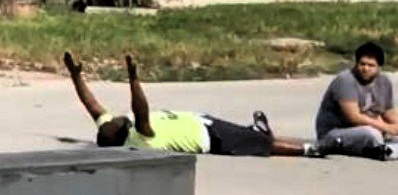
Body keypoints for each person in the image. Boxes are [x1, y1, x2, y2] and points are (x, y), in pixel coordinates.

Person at [64, 52, 330, 158]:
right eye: (112, 123)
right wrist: (133, 78)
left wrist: (76, 75)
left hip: (203, 122)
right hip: (210, 138)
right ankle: (309, 149)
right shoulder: (139, 138)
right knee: (263, 146)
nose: (111, 118)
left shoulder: (113, 130)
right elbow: (140, 109)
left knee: (252, 137)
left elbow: (93, 106)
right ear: (118, 136)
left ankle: (258, 130)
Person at [315, 42, 398, 160]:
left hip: (366, 128)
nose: (365, 68)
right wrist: (389, 128)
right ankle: (384, 150)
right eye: (362, 64)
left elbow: (388, 112)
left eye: (371, 65)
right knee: (371, 134)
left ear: (379, 67)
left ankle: (386, 149)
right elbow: (354, 117)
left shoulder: (383, 82)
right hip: (335, 132)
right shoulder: (345, 80)